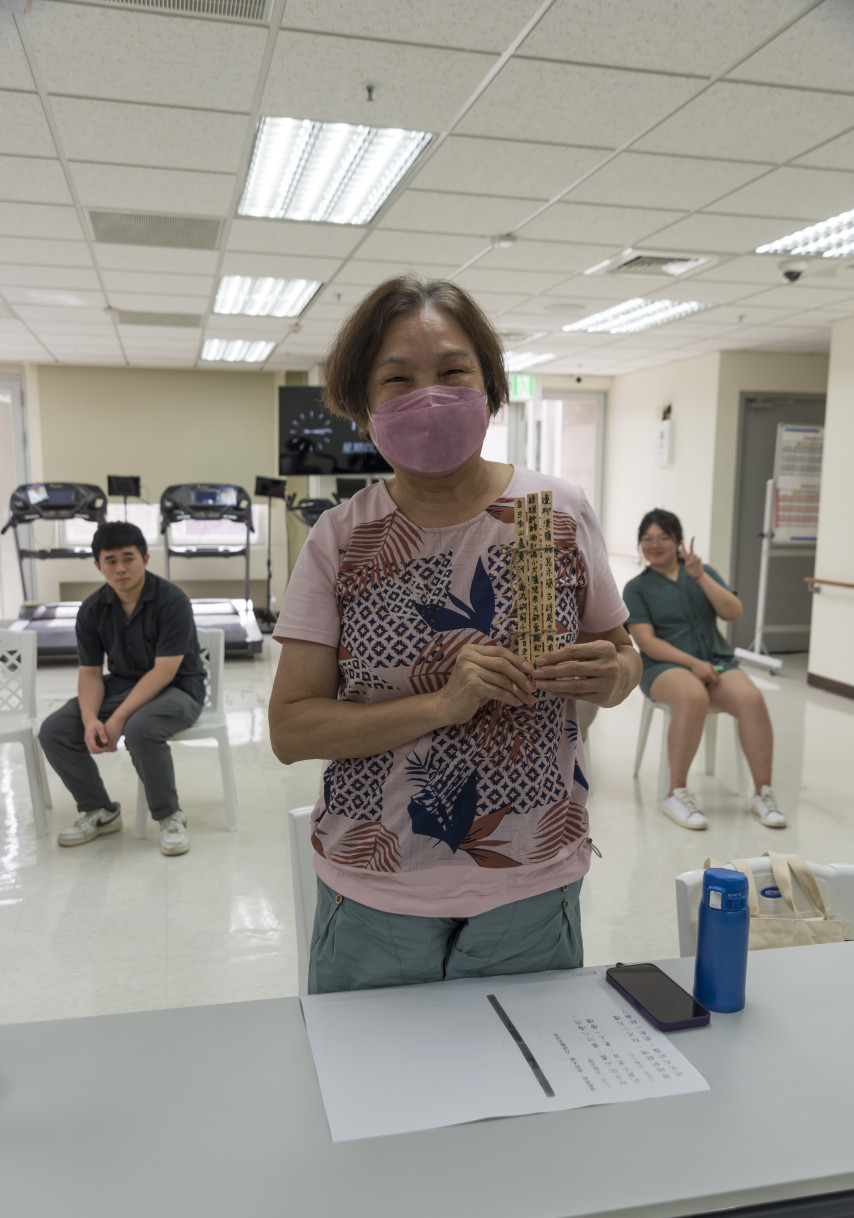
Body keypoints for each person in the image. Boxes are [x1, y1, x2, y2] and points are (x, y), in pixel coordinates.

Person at [268, 275, 641, 994]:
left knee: (522, 1092)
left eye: (452, 372)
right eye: (398, 378)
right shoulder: (344, 539)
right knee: (376, 1091)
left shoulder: (551, 513)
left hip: (531, 881)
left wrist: (616, 676)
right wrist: (440, 705)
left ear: (491, 384)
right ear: (364, 401)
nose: (429, 396)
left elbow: (623, 655)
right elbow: (290, 728)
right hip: (377, 892)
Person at [39, 521, 205, 856]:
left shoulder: (172, 600)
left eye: (128, 558)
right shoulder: (92, 609)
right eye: (110, 561)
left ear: (145, 558)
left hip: (179, 688)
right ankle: (100, 810)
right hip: (124, 685)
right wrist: (90, 721)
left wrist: (117, 719)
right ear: (98, 565)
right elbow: (89, 673)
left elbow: (164, 671)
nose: (120, 568)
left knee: (140, 728)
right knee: (54, 729)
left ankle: (170, 815)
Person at [622, 507, 787, 832]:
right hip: (663, 667)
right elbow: (648, 642)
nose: (655, 545)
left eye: (663, 538)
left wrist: (701, 576)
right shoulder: (636, 588)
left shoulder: (701, 571)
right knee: (692, 695)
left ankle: (762, 794)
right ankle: (676, 792)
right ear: (640, 545)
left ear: (679, 542)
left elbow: (734, 612)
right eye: (647, 539)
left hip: (717, 661)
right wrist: (693, 664)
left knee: (751, 698)